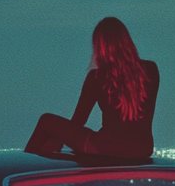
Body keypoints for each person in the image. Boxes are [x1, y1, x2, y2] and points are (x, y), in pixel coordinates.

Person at [24, 17, 159, 159]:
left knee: (47, 121)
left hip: (107, 148)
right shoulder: (151, 70)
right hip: (143, 149)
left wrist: (58, 139)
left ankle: (25, 165)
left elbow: (78, 121)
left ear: (100, 47)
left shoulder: (96, 77)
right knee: (57, 134)